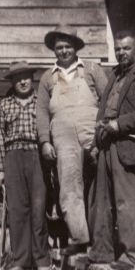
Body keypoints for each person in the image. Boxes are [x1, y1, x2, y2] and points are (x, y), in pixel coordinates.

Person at [88, 30, 135, 270]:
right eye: (118, 49)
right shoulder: (114, 76)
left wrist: (119, 124)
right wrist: (95, 143)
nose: (121, 53)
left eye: (126, 48)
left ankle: (133, 257)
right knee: (101, 202)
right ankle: (102, 252)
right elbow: (104, 111)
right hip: (106, 145)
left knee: (128, 203)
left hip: (130, 147)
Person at [36, 25, 108, 256]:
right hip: (63, 137)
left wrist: (102, 136)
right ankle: (79, 238)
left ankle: (103, 241)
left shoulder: (92, 70)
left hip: (93, 134)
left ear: (76, 48)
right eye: (59, 48)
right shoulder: (48, 77)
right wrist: (45, 141)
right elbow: (41, 112)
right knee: (69, 188)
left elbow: (108, 102)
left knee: (100, 186)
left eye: (68, 46)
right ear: (54, 50)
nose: (64, 51)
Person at [0, 60, 51, 270]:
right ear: (12, 82)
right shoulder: (4, 105)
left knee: (38, 207)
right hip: (13, 156)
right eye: (18, 79)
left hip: (37, 155)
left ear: (32, 78)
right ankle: (20, 259)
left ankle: (41, 259)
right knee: (17, 209)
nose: (23, 82)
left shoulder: (42, 102)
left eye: (26, 77)